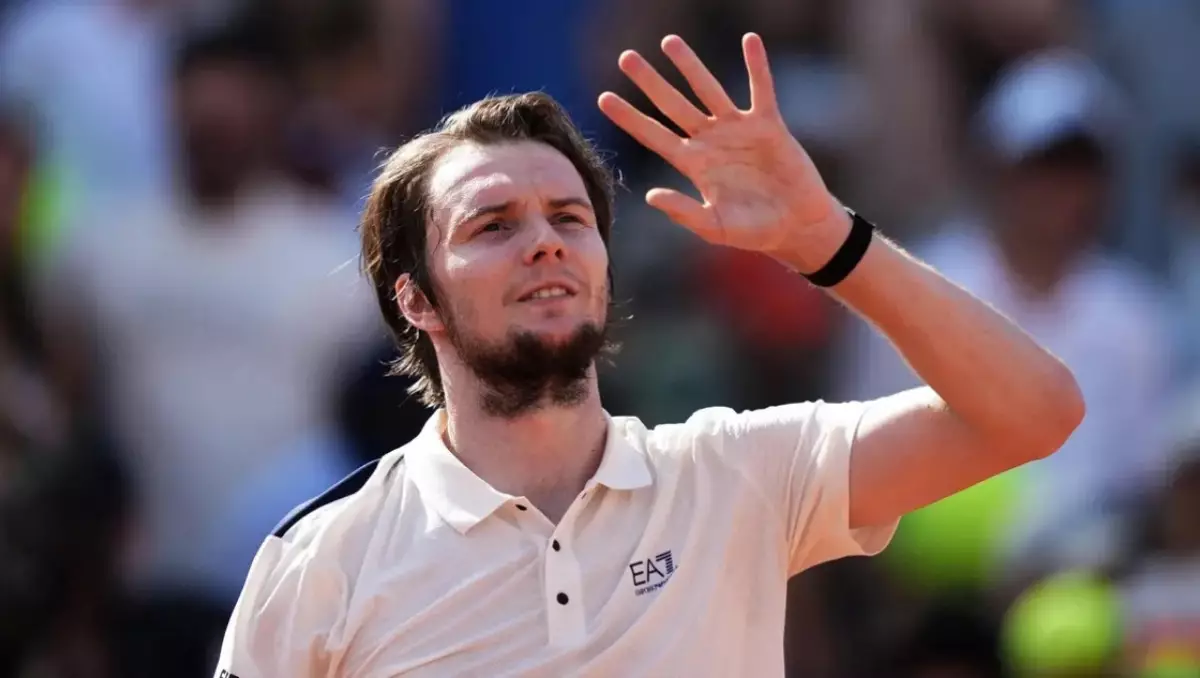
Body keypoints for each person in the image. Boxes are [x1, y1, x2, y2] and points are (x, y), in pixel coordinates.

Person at [214, 33, 1084, 677]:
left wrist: (826, 239)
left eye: (569, 218)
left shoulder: (734, 474)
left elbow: (1036, 412)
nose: (545, 242)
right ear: (415, 298)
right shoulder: (320, 562)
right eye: (493, 225)